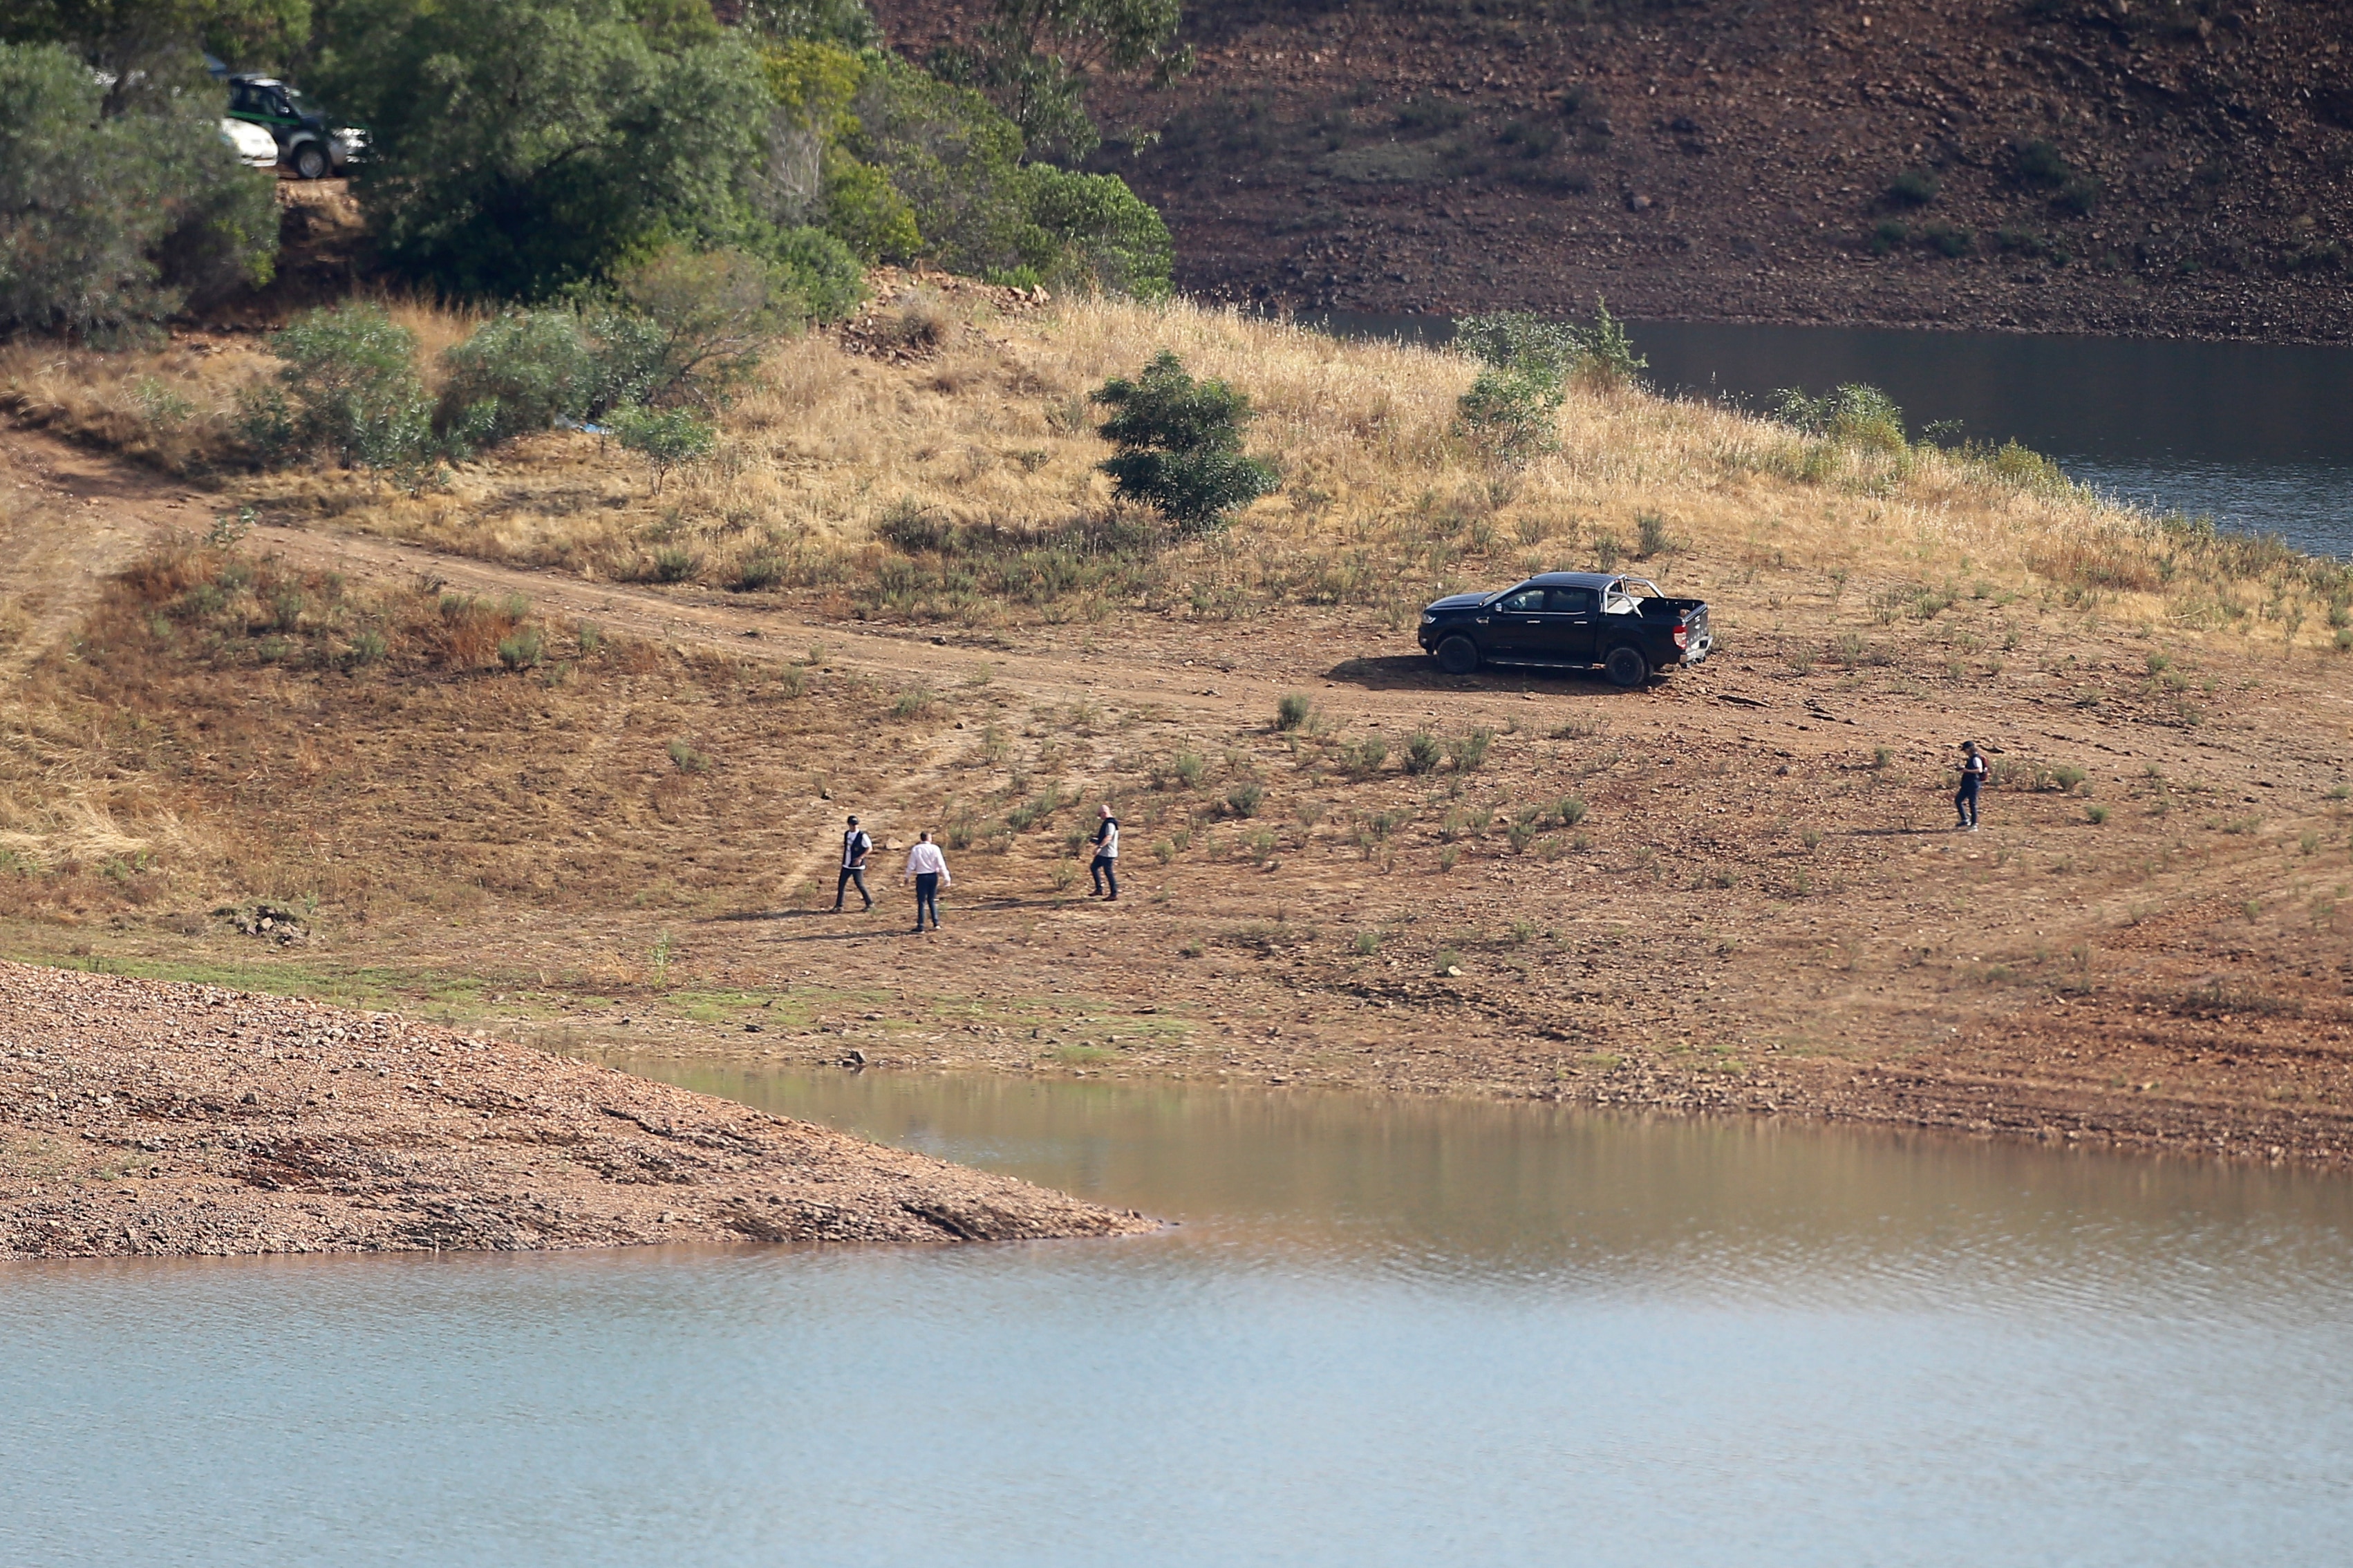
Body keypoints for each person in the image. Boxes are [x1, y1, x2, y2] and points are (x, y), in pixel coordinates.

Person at [903, 830, 949, 933]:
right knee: (932, 899)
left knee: (921, 901)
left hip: (922, 876)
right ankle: (936, 923)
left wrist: (907, 876)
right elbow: (941, 864)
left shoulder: (916, 849)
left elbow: (911, 864)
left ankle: (921, 925)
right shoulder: (935, 848)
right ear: (929, 838)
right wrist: (946, 877)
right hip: (933, 875)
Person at [833, 815, 873, 911]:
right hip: (847, 864)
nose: (855, 826)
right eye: (853, 824)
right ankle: (839, 906)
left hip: (857, 866)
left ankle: (870, 903)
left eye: (856, 824)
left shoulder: (862, 835)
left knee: (859, 884)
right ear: (849, 825)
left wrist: (860, 858)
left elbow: (870, 848)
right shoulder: (847, 834)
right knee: (841, 884)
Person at [1089, 803, 1120, 900]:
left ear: (1104, 813)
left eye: (1100, 815)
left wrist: (1100, 847)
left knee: (1109, 873)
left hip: (1108, 853)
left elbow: (1108, 837)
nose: (1099, 817)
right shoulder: (1107, 823)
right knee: (1094, 867)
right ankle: (1099, 889)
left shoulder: (1110, 824)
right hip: (1103, 853)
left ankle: (1114, 894)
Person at [1956, 740, 1989, 831]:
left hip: (1973, 783)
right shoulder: (1971, 758)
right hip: (1967, 784)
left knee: (1972, 803)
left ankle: (1974, 824)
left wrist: (1966, 771)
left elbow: (1979, 770)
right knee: (1958, 800)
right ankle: (1965, 819)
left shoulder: (1976, 758)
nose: (1965, 752)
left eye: (1965, 750)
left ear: (1969, 749)